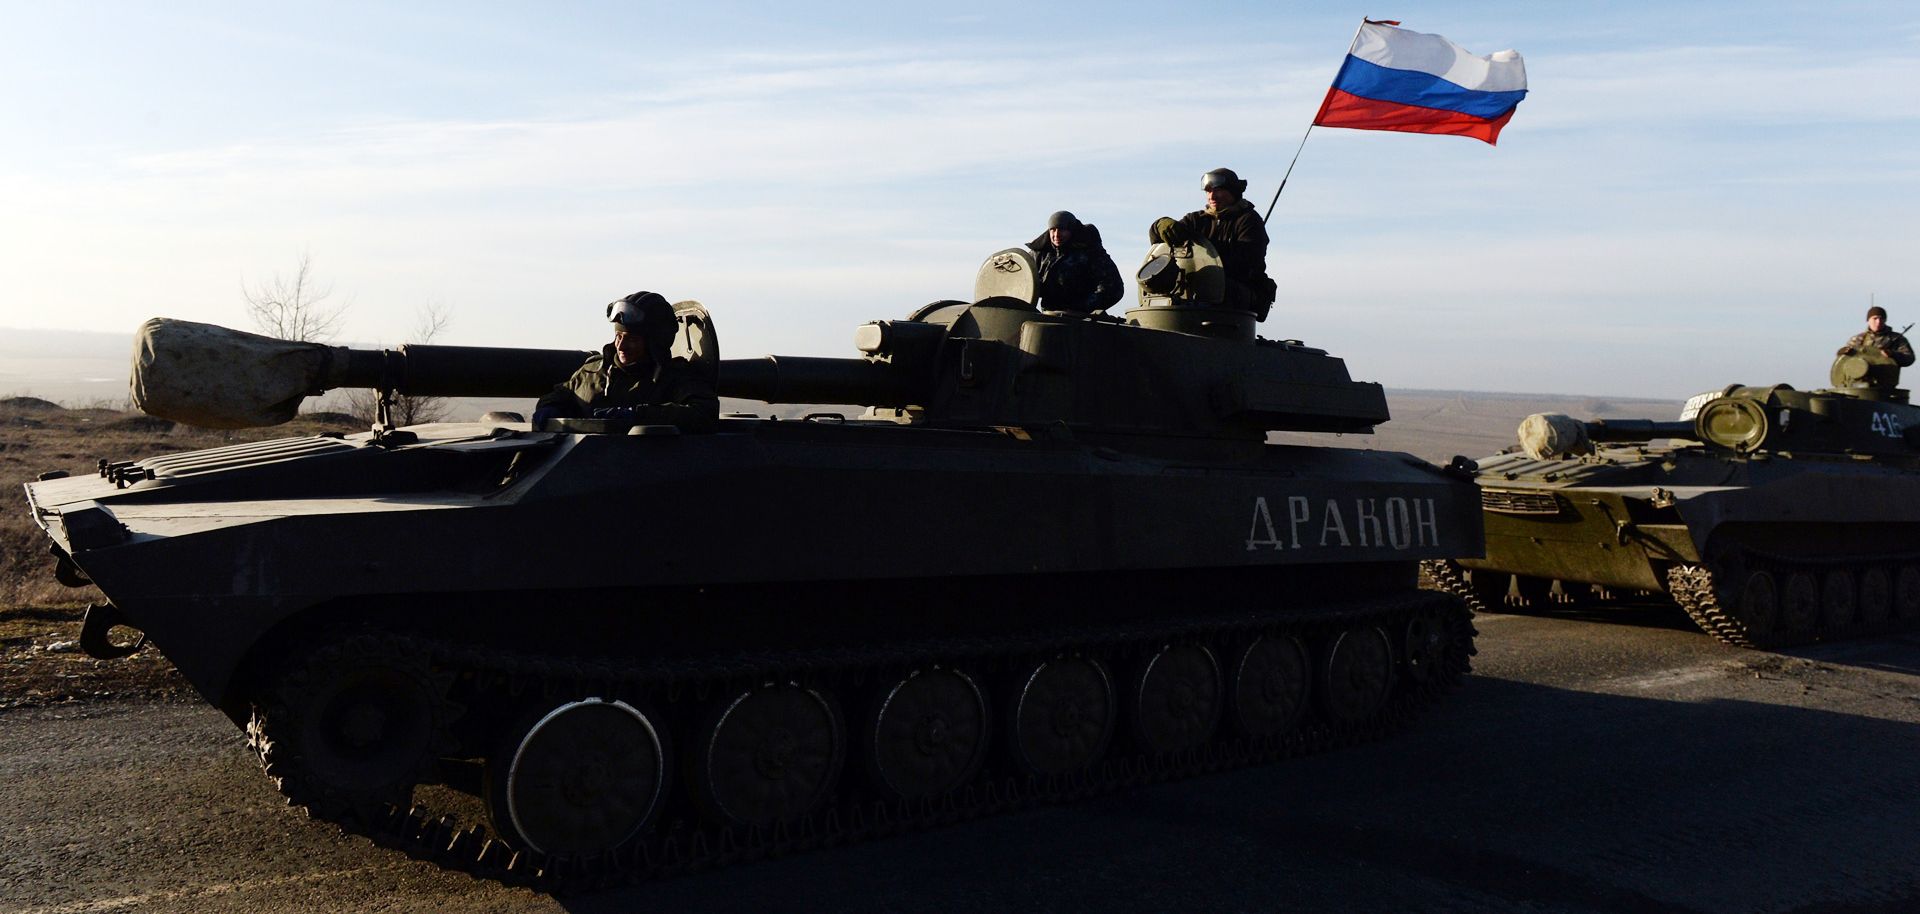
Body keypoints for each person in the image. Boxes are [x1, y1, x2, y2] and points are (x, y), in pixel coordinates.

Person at [532, 291, 718, 429]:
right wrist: (550, 408)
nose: (620, 346)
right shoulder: (594, 371)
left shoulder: (675, 378)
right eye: (619, 336)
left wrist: (639, 417)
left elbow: (704, 413)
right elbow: (560, 395)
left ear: (655, 343)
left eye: (631, 339)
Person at [1148, 168, 1276, 318]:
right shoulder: (1196, 220)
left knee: (1225, 289)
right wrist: (1160, 225)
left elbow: (1246, 261)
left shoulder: (1249, 221)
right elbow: (1161, 242)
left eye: (1218, 190)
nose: (1212, 196)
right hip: (1193, 292)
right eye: (1208, 191)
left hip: (1234, 296)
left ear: (1233, 192)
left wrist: (1206, 251)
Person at [1026, 210, 1123, 313]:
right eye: (1053, 230)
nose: (1056, 235)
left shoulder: (1091, 253)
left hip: (1080, 320)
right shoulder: (1040, 254)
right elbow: (1023, 281)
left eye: (1062, 229)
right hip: (1047, 316)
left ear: (1072, 230)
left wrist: (1081, 308)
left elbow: (1113, 288)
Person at [1838, 305, 1915, 369]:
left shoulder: (1897, 338)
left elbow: (1909, 358)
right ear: (1868, 320)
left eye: (1881, 318)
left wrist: (1892, 354)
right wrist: (1842, 353)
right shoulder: (1857, 339)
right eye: (1875, 318)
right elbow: (1843, 361)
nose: (1878, 321)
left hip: (1884, 381)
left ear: (1885, 320)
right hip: (1858, 380)